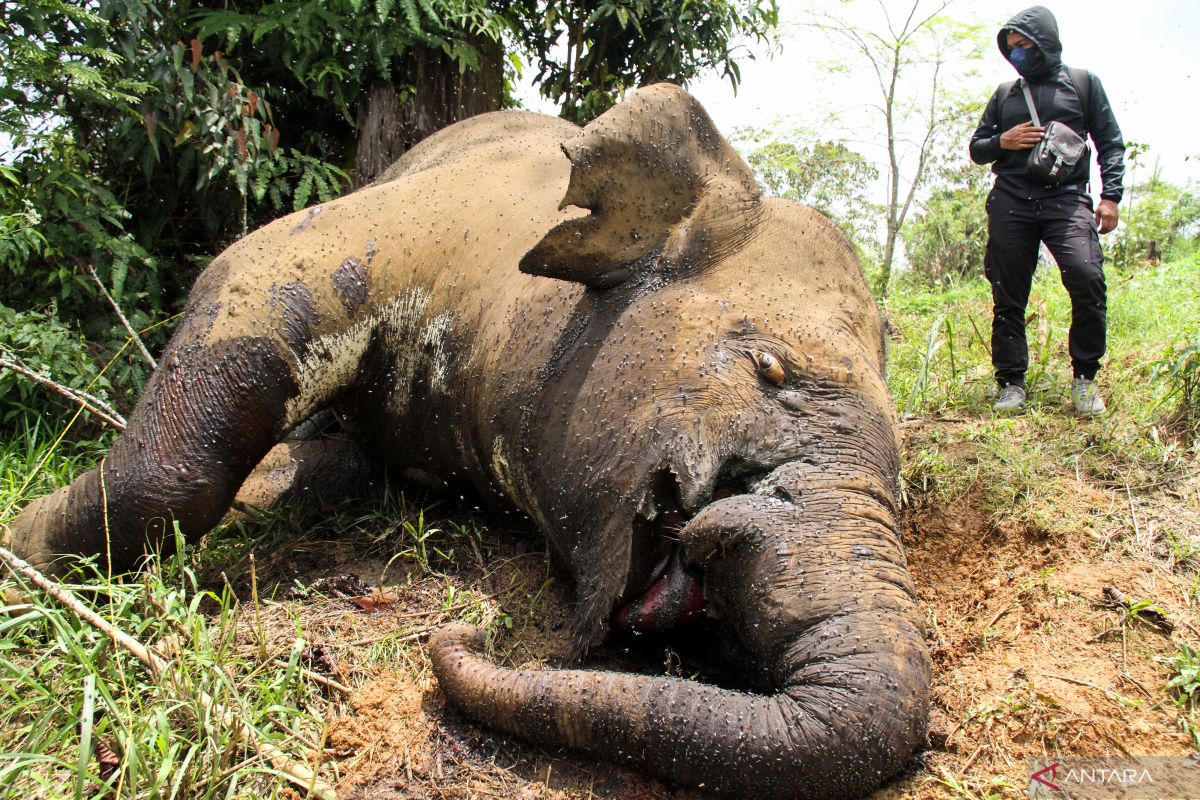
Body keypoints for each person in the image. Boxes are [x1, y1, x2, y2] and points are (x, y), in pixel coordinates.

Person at [969, 5, 1124, 416]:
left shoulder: (1083, 84)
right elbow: (976, 149)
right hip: (1012, 199)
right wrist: (1004, 140)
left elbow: (1110, 142)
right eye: (1012, 48)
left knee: (1087, 277)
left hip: (1067, 199)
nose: (1018, 54)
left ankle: (1085, 378)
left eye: (1025, 46)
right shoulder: (1006, 95)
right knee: (1008, 294)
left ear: (1045, 44)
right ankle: (1011, 384)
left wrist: (1111, 197)